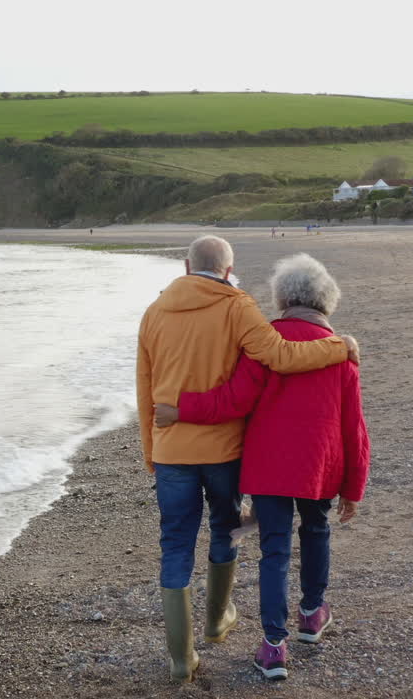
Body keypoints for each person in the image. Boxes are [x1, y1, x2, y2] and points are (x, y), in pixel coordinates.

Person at [136, 236, 359, 683]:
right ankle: (240, 619)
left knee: (182, 544)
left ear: (185, 265)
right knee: (242, 526)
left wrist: (152, 450)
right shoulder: (238, 306)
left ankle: (199, 655)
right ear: (228, 268)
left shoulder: (153, 312)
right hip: (236, 454)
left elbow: (150, 387)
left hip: (187, 452)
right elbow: (284, 361)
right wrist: (340, 347)